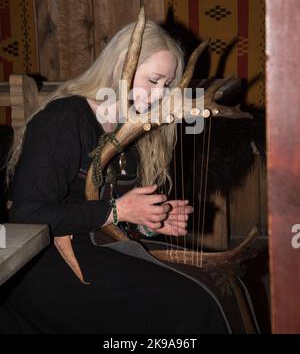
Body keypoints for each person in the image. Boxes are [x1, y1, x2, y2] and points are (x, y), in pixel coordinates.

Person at [0, 20, 229, 334]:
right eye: (154, 80)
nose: (160, 93)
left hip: (98, 249)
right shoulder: (65, 119)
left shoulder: (127, 128)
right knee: (191, 301)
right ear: (124, 64)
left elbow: (104, 209)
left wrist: (148, 222)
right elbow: (26, 214)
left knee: (214, 286)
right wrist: (120, 210)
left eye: (167, 85)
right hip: (47, 265)